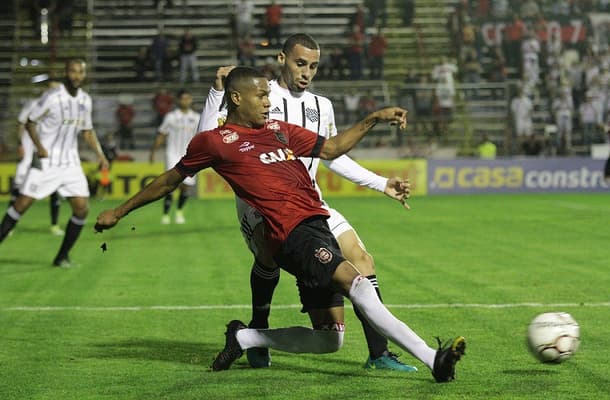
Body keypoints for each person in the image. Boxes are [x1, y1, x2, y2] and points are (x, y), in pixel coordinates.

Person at [95, 66, 466, 383]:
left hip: (317, 224)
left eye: (268, 96)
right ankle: (433, 358)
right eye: (260, 96)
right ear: (237, 99)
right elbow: (170, 179)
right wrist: (119, 211)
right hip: (290, 234)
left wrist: (373, 119)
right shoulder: (217, 142)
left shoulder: (279, 130)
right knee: (359, 283)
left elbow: (333, 149)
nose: (268, 101)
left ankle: (247, 338)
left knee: (330, 339)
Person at [198, 34, 421, 372]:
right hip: (261, 205)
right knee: (267, 254)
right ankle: (258, 329)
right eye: (300, 63)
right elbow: (207, 142)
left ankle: (379, 353)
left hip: (311, 202)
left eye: (313, 66)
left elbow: (332, 155)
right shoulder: (256, 96)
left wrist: (381, 183)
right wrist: (216, 93)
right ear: (281, 58)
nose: (307, 72)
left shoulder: (322, 106)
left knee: (361, 258)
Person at [0, 59, 109, 266]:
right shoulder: (52, 97)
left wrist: (100, 155)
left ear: (84, 75)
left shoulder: (85, 100)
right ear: (66, 73)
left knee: (82, 209)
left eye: (80, 72)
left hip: (70, 163)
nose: (76, 76)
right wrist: (39, 147)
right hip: (47, 161)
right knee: (21, 204)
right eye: (73, 71)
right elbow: (30, 122)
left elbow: (87, 131)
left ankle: (62, 257)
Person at [10, 79, 63, 236]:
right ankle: (10, 225)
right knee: (18, 189)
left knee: (55, 188)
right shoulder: (33, 104)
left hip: (48, 155)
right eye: (53, 89)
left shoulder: (60, 109)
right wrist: (20, 143)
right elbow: (21, 124)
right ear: (46, 90)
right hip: (29, 152)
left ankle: (54, 225)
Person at [149, 89, 200, 225]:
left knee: (185, 186)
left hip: (189, 155)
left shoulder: (196, 118)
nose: (186, 101)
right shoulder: (171, 117)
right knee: (170, 185)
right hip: (172, 154)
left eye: (188, 98)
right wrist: (153, 152)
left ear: (191, 100)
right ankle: (166, 214)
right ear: (178, 100)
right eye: (183, 98)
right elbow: (161, 134)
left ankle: (179, 212)